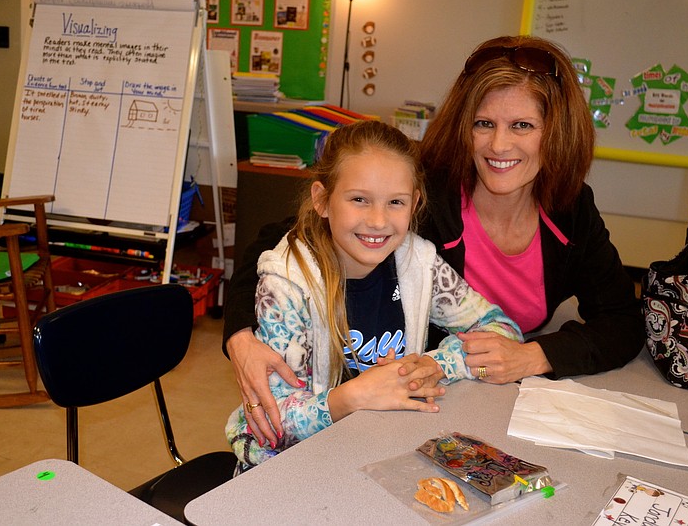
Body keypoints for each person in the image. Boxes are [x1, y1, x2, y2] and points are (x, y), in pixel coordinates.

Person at [224, 35, 644, 448]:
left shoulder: (569, 207)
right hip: (378, 411)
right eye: (484, 124)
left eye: (522, 125)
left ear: (555, 132)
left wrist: (534, 355)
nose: (499, 144)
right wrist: (240, 335)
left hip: (454, 396)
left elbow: (622, 321)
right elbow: (288, 244)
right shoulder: (420, 186)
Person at [225, 120, 522, 471]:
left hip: (379, 451)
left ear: (415, 204)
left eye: (395, 202)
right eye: (360, 200)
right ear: (322, 200)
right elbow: (271, 426)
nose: (378, 221)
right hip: (292, 470)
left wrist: (435, 365)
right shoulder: (287, 283)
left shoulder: (418, 261)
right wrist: (350, 397)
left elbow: (501, 329)